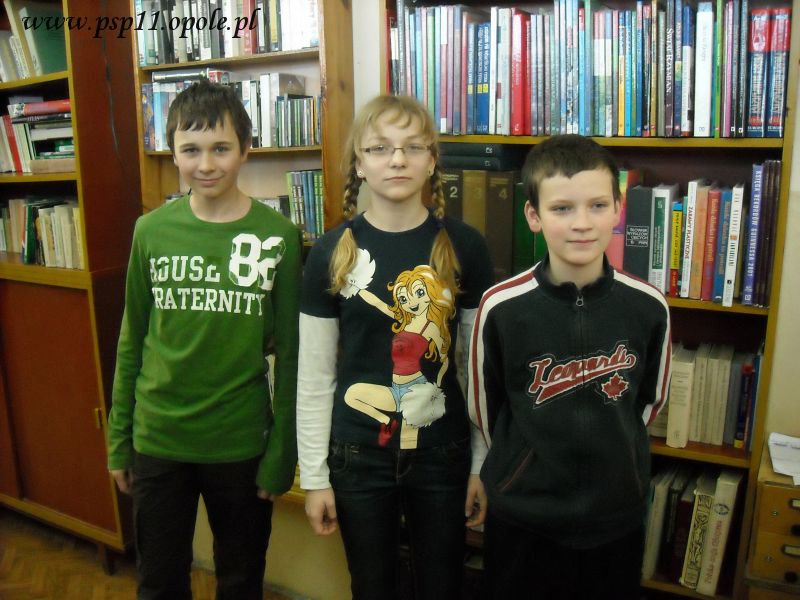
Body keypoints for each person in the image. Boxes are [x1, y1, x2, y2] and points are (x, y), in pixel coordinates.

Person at [106, 78, 301, 600]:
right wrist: (118, 438)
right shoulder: (150, 232)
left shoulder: (279, 237)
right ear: (172, 152)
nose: (206, 164)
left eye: (221, 148)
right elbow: (131, 342)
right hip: (158, 439)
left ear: (246, 149)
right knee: (159, 581)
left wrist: (282, 453)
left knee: (240, 579)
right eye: (190, 150)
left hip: (239, 442)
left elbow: (292, 355)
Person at [296, 94, 494, 600]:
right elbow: (315, 377)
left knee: (441, 585)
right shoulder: (331, 252)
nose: (398, 159)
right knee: (372, 586)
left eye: (412, 147)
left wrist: (480, 465)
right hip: (358, 457)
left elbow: (476, 372)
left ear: (432, 160)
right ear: (360, 164)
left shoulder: (465, 246)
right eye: (380, 148)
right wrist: (315, 478)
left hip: (442, 453)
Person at [468, 134, 672, 599]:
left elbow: (649, 402)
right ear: (534, 216)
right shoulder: (501, 307)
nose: (582, 223)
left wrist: (619, 457)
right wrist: (523, 464)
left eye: (597, 205)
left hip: (615, 518)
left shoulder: (648, 306)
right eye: (562, 209)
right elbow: (487, 407)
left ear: (618, 209)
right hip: (524, 519)